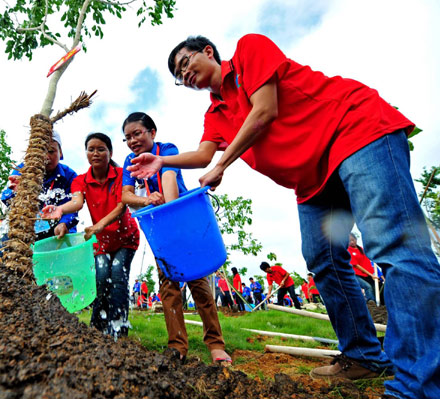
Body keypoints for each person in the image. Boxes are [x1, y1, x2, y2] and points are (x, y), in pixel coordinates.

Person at [127, 33, 440, 398]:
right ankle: (364, 356)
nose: (186, 76)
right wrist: (162, 159)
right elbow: (202, 154)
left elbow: (264, 111)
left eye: (185, 64)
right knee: (323, 259)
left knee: (394, 246)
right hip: (313, 179)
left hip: (356, 131)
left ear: (207, 52)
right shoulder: (216, 113)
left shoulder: (249, 51)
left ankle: (419, 382)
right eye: (180, 77)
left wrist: (224, 164)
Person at [121, 111, 231, 365]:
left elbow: (169, 176)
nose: (133, 141)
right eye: (127, 137)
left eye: (137, 133)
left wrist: (167, 209)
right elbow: (127, 196)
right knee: (168, 286)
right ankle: (178, 346)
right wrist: (146, 199)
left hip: (181, 223)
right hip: (159, 230)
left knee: (198, 283)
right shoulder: (129, 160)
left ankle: (215, 344)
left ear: (152, 133)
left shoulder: (166, 149)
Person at [41, 133, 139, 339]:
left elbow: (122, 206)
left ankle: (119, 330)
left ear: (110, 152)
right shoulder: (81, 180)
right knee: (102, 277)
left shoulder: (121, 174)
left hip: (125, 238)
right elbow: (76, 202)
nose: (95, 153)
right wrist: (59, 209)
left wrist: (99, 225)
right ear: (86, 153)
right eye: (91, 149)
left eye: (101, 149)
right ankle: (97, 329)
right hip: (101, 241)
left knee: (118, 276)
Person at [0, 131, 78, 264]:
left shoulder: (69, 176)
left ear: (61, 153)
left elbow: (73, 206)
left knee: (63, 266)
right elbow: (7, 198)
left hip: (58, 232)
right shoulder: (23, 170)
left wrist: (63, 223)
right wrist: (18, 192)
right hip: (27, 229)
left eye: (51, 151)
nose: (46, 157)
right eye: (42, 151)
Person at [348, 233, 378, 304]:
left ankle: (379, 305)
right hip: (356, 274)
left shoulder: (361, 249)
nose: (352, 242)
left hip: (367, 274)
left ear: (356, 239)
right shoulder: (348, 250)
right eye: (349, 241)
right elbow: (356, 265)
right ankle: (371, 303)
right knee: (367, 287)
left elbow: (367, 261)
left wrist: (373, 274)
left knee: (375, 287)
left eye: (353, 240)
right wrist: (371, 275)